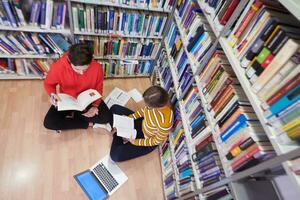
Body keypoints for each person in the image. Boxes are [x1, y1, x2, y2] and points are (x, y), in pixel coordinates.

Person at [43, 43, 112, 132]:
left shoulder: (97, 67)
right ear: (69, 61)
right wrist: (52, 94)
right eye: (77, 69)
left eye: (85, 69)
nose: (81, 73)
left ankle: (77, 115)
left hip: (87, 98)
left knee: (106, 117)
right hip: (66, 99)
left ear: (91, 60)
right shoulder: (58, 67)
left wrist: (95, 106)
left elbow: (98, 88)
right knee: (49, 122)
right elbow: (49, 84)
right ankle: (87, 122)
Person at [109, 86, 174, 162]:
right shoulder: (154, 103)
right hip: (143, 123)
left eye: (148, 106)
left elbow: (155, 141)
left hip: (146, 139)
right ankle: (120, 133)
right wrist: (129, 118)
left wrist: (135, 142)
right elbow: (143, 111)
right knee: (114, 108)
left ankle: (119, 133)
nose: (146, 106)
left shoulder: (165, 122)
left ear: (156, 107)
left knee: (115, 156)